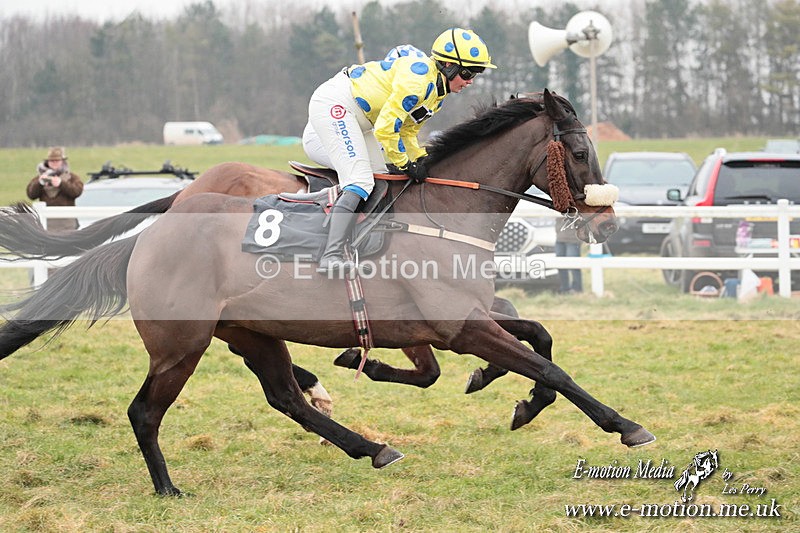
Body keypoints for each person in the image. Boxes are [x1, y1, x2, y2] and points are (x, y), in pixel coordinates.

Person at [302, 28, 496, 274]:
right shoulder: (419, 81)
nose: (470, 81)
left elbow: (407, 132)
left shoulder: (437, 93)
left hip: (359, 120)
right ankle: (330, 255)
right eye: (468, 73)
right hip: (337, 106)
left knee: (380, 175)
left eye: (476, 74)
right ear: (448, 65)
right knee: (360, 180)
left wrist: (420, 160)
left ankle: (355, 241)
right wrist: (405, 163)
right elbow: (385, 130)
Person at [27, 146, 84, 232]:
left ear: (62, 161)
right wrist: (40, 183)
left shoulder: (72, 177)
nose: (54, 163)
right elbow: (31, 194)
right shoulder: (40, 178)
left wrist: (61, 184)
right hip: (46, 224)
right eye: (52, 161)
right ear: (47, 162)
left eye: (57, 160)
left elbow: (77, 191)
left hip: (67, 225)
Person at [555, 217, 583, 293]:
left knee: (574, 266)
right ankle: (564, 288)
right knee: (560, 265)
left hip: (573, 239)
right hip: (560, 238)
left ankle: (577, 289)